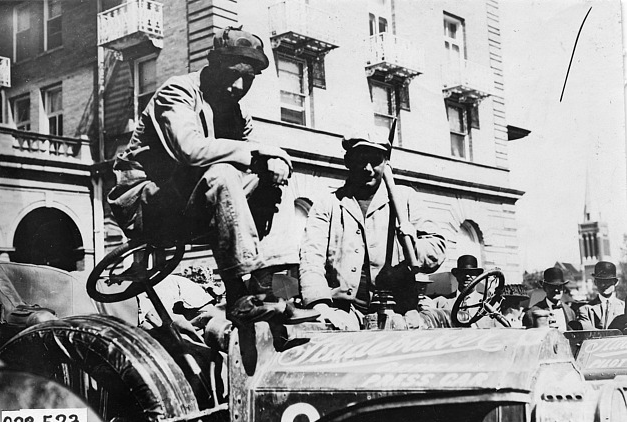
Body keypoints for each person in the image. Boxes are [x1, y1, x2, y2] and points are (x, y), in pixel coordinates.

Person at [107, 26, 318, 327]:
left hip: (192, 201)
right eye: (233, 73)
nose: (239, 85)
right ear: (213, 65)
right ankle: (238, 298)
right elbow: (191, 150)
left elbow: (254, 159)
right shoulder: (177, 92)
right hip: (147, 204)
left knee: (275, 183)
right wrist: (261, 152)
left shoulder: (236, 112)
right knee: (221, 174)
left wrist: (275, 164)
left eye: (249, 78)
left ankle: (280, 295)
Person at [299, 132, 446, 330]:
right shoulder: (328, 204)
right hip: (343, 312)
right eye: (360, 160)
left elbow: (437, 249)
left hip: (400, 312)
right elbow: (311, 260)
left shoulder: (406, 199)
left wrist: (413, 244)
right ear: (347, 162)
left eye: (375, 160)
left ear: (386, 162)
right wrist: (320, 307)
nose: (367, 168)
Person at [577, 261, 624, 330]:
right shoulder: (586, 309)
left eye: (608, 281)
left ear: (615, 282)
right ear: (595, 282)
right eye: (600, 281)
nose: (604, 285)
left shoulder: (623, 307)